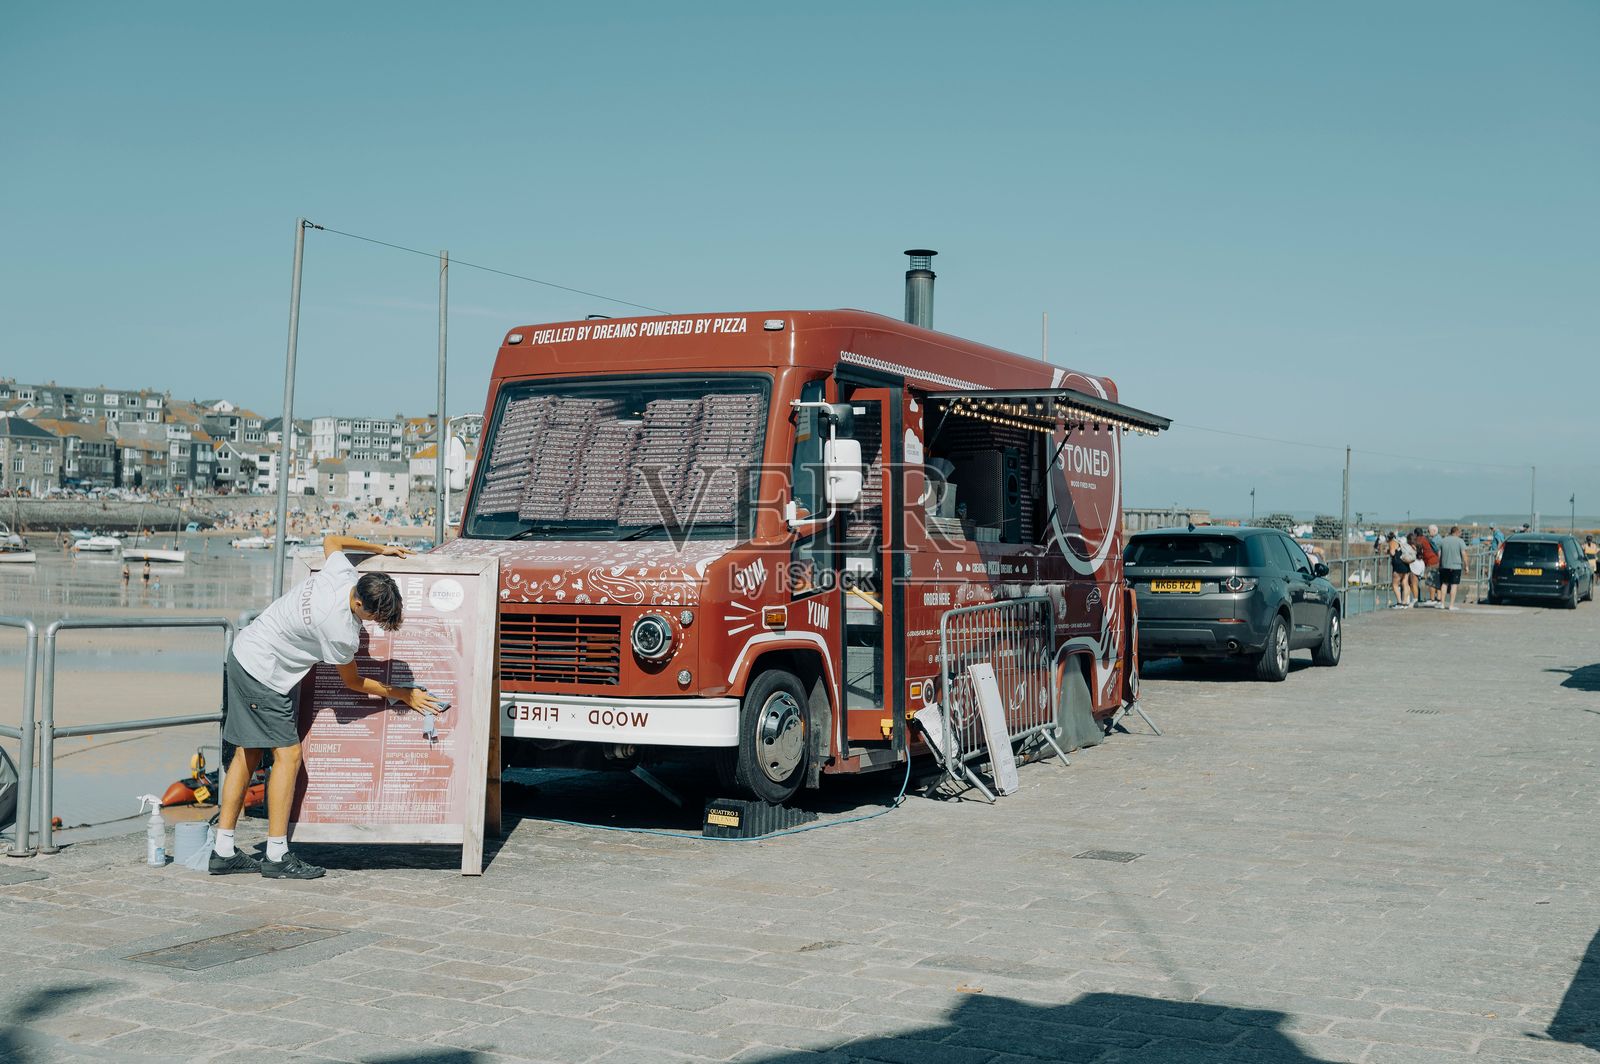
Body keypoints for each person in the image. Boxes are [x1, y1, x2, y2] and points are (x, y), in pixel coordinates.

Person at [209, 533, 443, 880]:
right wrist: (404, 694)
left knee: (250, 753)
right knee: (288, 756)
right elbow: (353, 682)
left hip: (247, 653)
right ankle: (276, 856)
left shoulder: (342, 575)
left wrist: (380, 548)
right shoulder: (340, 630)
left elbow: (331, 539)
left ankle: (223, 852)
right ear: (360, 606)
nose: (372, 625)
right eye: (373, 619)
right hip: (262, 673)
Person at [1436, 525, 1468, 610]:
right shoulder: (1460, 541)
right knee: (1454, 585)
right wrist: (1466, 566)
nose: (1461, 534)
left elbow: (1439, 554)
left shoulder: (1443, 540)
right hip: (1456, 566)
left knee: (1444, 584)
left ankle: (1442, 604)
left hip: (1444, 566)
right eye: (1460, 532)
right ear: (1457, 532)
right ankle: (1451, 605)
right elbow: (1464, 554)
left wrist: (1440, 564)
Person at [1414, 526, 1440, 607]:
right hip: (1436, 560)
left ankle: (1432, 599)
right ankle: (1439, 599)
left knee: (1431, 581)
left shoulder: (1419, 540)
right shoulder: (1426, 539)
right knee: (1437, 580)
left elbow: (1417, 552)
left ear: (1415, 534)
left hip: (1430, 562)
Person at [1388, 532, 1414, 607]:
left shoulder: (1392, 542)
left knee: (1395, 584)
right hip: (1405, 563)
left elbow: (1392, 553)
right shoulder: (1399, 542)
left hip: (1398, 565)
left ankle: (1399, 602)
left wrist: (1388, 551)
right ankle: (1404, 603)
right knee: (1405, 583)